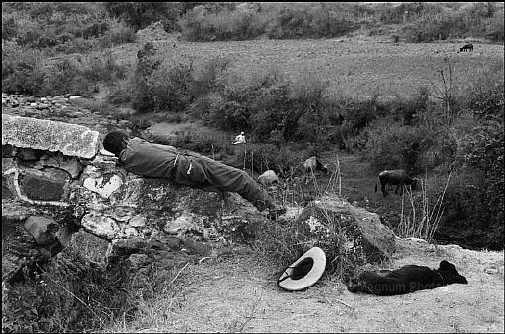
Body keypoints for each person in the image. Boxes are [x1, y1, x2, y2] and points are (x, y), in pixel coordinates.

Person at [102, 131, 286, 219]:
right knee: (239, 177)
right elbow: (168, 148)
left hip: (181, 174)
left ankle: (263, 208)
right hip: (187, 164)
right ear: (125, 140)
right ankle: (271, 209)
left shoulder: (127, 162)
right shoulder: (135, 146)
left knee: (222, 185)